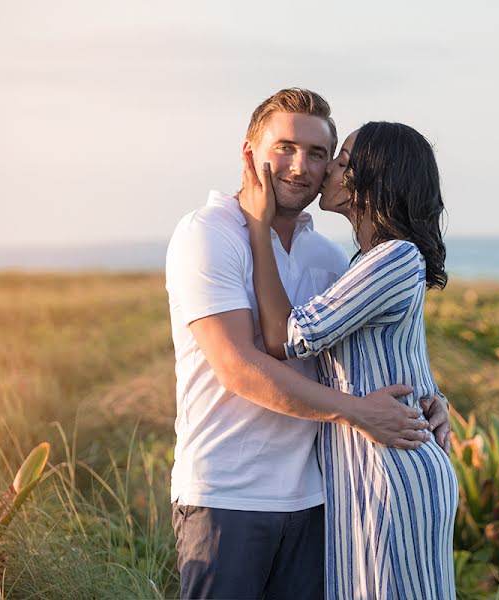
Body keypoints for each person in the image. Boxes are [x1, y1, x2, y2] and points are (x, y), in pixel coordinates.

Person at [165, 88, 451, 600]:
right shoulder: (208, 233)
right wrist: (356, 412)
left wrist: (431, 397)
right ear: (250, 152)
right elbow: (238, 365)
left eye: (321, 154)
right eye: (286, 148)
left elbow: (368, 352)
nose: (301, 167)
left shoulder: (332, 256)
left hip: (321, 497)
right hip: (230, 495)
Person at [239, 121, 458, 599]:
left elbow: (287, 336)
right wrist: (434, 396)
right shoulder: (365, 261)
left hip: (389, 473)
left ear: (372, 178)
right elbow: (400, 351)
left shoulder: (394, 257)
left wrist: (258, 227)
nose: (326, 172)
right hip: (366, 470)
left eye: (340, 162)